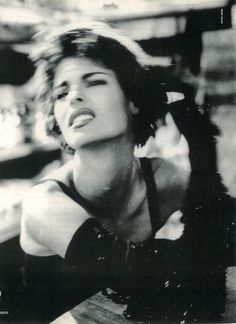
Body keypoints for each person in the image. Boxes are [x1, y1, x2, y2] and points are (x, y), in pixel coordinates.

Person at [20, 21, 235, 323]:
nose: (74, 97)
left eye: (94, 81)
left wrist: (196, 130)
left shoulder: (162, 177)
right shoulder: (44, 205)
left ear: (132, 100)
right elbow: (136, 274)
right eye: (60, 93)